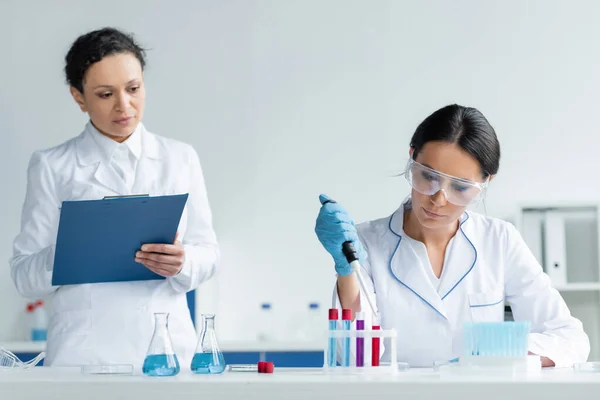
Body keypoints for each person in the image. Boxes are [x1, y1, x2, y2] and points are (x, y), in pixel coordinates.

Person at [315, 104, 590, 368]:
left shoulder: (499, 240)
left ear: (485, 183)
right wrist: (346, 271)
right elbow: (353, 358)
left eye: (460, 187)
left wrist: (503, 354)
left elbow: (569, 338)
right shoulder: (365, 242)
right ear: (412, 157)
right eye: (428, 176)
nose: (439, 198)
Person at [10, 27, 219, 368]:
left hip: (165, 354)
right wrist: (69, 253)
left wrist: (182, 262)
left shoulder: (180, 158)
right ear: (79, 97)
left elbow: (209, 254)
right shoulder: (52, 166)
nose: (125, 106)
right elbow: (23, 277)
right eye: (106, 94)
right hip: (82, 360)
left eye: (133, 89)